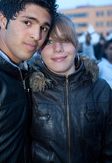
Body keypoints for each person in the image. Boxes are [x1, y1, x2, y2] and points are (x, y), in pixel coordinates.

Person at [0, 0, 57, 163]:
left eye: (43, 28)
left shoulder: (25, 72)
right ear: (3, 19)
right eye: (28, 22)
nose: (36, 36)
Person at [29, 13, 112, 163]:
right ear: (39, 49)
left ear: (76, 44)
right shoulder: (29, 91)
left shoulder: (102, 90)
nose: (58, 48)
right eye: (48, 42)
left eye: (65, 40)